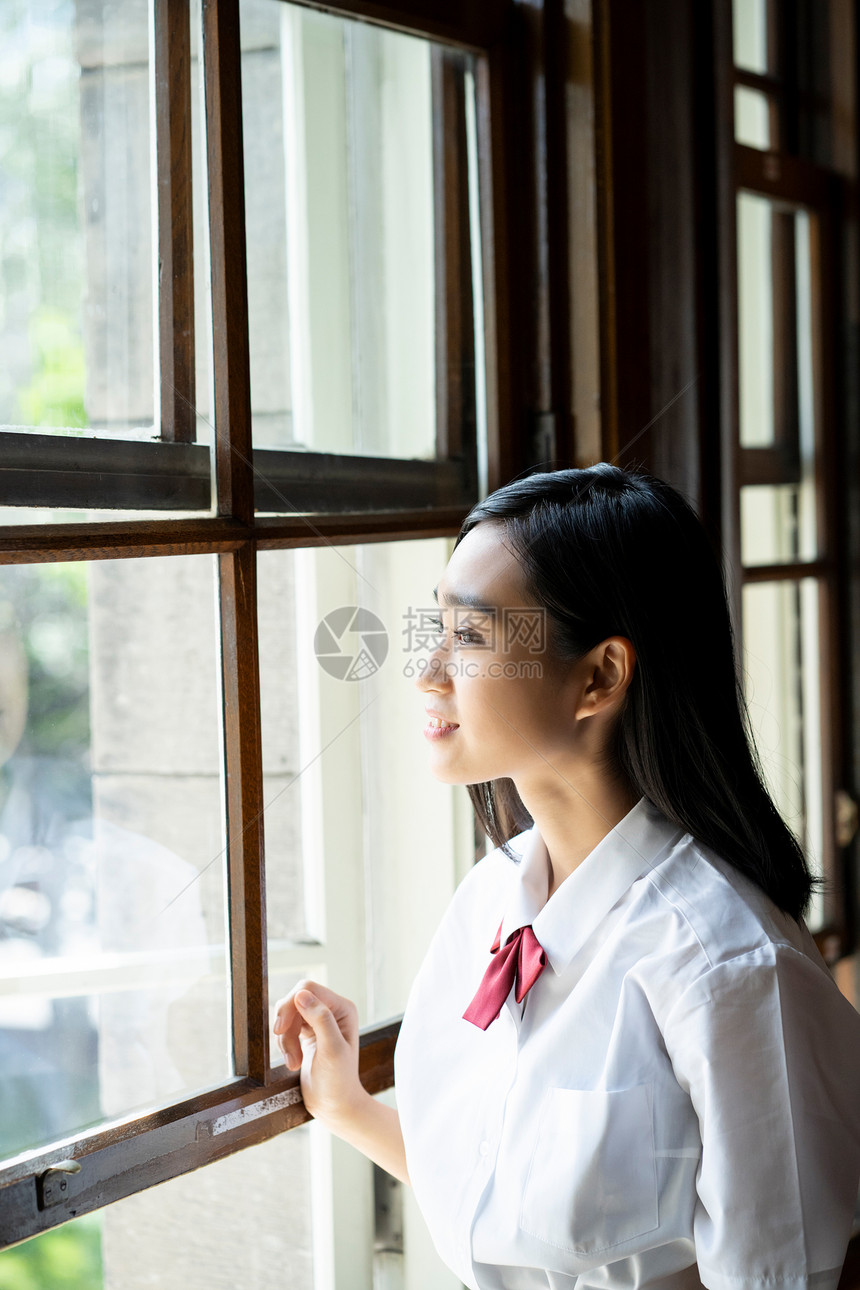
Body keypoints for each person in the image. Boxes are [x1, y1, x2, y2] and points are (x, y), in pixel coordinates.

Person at [273, 463, 860, 1290]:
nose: (427, 671)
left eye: (470, 638)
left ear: (599, 677)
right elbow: (513, 1220)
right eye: (435, 628)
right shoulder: (489, 900)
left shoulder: (727, 969)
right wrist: (349, 1110)